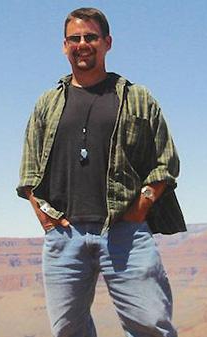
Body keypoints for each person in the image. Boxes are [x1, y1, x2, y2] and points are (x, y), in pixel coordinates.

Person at [17, 7, 185, 337]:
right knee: (68, 331)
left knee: (151, 327)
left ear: (107, 42)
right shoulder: (47, 103)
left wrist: (142, 207)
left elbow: (166, 162)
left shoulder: (137, 98)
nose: (83, 44)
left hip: (125, 231)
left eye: (91, 37)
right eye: (75, 38)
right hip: (64, 237)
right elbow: (28, 171)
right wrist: (44, 216)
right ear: (64, 46)